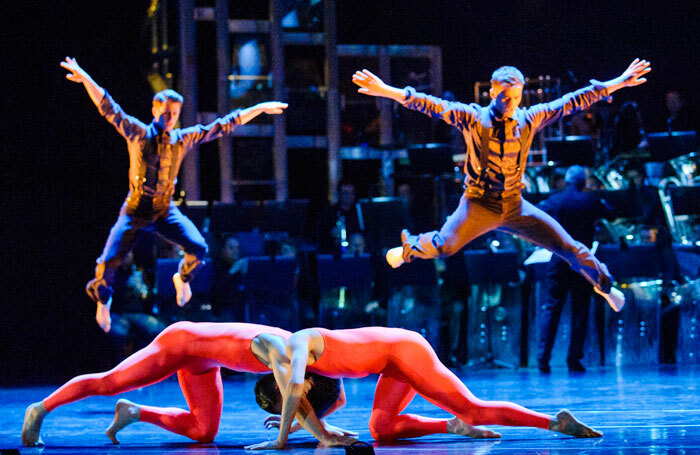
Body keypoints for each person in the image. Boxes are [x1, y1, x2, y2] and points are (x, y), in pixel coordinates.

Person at [352, 59, 653, 313]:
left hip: (514, 205)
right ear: (492, 92)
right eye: (504, 95)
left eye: (516, 95)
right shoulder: (473, 117)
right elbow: (429, 104)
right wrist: (387, 91)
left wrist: (618, 82)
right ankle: (408, 249)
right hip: (478, 204)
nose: (510, 102)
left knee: (568, 246)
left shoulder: (530, 118)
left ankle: (604, 285)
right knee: (445, 246)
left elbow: (573, 100)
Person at [59, 57, 288, 332]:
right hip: (135, 209)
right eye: (166, 112)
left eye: (175, 113)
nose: (170, 118)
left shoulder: (182, 138)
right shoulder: (138, 133)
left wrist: (258, 108)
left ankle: (183, 278)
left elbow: (223, 125)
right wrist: (86, 78)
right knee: (108, 261)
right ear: (155, 109)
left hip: (165, 210)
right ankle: (103, 301)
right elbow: (110, 108)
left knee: (198, 247)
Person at [247, 327, 602, 449]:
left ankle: (555, 421)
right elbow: (335, 400)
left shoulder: (294, 345)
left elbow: (294, 386)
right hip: (392, 363)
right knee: (381, 430)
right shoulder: (311, 364)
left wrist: (280, 439)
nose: (302, 395)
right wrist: (300, 426)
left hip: (406, 351)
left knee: (472, 408)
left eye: (289, 402)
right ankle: (453, 427)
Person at [21, 322, 355, 447]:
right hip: (180, 344)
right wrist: (316, 435)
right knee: (111, 382)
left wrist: (320, 428)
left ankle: (134, 412)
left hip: (204, 364)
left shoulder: (306, 358)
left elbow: (335, 398)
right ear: (308, 380)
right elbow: (295, 395)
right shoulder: (284, 351)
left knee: (202, 432)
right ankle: (40, 409)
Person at [536, 166, 612, 373]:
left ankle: (543, 358)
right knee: (580, 309)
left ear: (567, 181)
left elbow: (537, 214)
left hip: (559, 259)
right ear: (583, 181)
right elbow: (610, 213)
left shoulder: (556, 200)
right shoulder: (590, 200)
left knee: (552, 308)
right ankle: (574, 359)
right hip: (582, 262)